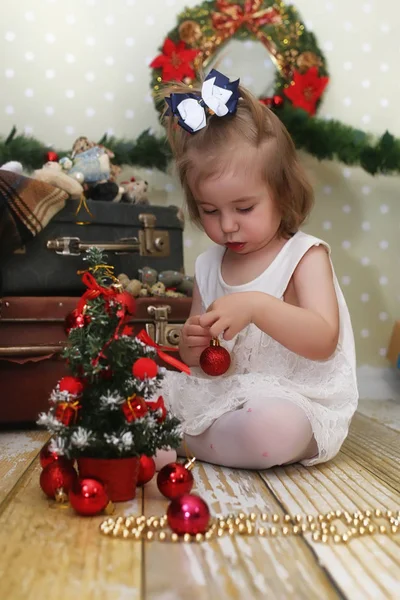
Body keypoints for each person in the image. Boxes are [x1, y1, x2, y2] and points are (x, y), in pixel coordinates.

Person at [157, 69, 358, 470]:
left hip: (294, 399)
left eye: (244, 208)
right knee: (143, 388)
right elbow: (199, 364)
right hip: (225, 396)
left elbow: (322, 341)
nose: (227, 224)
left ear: (283, 196)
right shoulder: (208, 264)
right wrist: (193, 345)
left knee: (271, 429)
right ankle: (192, 436)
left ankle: (178, 440)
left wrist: (256, 306)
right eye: (210, 211)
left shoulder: (305, 256)